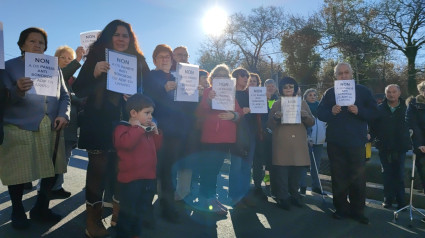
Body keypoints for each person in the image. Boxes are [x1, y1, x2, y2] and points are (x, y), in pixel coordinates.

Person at [72, 19, 150, 237]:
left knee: (121, 170)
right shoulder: (96, 58)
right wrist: (94, 73)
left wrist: (136, 100)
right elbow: (79, 89)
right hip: (99, 123)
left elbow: (147, 91)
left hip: (127, 123)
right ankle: (92, 220)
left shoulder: (138, 61)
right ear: (108, 37)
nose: (121, 38)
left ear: (130, 39)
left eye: (125, 35)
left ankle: (118, 216)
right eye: (116, 34)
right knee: (98, 170)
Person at [0, 27, 70, 230]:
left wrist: (63, 114)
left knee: (52, 170)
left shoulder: (53, 67)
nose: (37, 45)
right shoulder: (8, 67)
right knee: (18, 172)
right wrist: (16, 91)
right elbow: (3, 99)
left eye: (41, 42)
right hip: (19, 125)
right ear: (22, 45)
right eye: (32, 41)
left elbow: (65, 95)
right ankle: (17, 210)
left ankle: (41, 207)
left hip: (51, 126)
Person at [317, 62, 378, 224]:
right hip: (335, 141)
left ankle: (358, 211)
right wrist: (331, 111)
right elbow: (320, 113)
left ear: (352, 74)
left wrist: (360, 111)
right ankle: (341, 209)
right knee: (338, 177)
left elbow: (374, 113)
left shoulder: (363, 91)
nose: (343, 76)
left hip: (357, 142)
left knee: (358, 178)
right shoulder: (330, 93)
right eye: (340, 73)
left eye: (346, 73)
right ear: (335, 76)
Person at [144, 44, 194, 223]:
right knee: (154, 169)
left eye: (167, 56)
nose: (165, 59)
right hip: (158, 130)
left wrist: (197, 93)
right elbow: (147, 100)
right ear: (155, 59)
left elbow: (187, 104)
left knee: (169, 170)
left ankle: (167, 206)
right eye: (161, 56)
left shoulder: (178, 75)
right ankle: (145, 210)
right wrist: (163, 89)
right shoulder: (150, 76)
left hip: (177, 130)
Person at [196, 64, 243, 215]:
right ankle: (207, 199)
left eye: (224, 76)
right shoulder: (208, 91)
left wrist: (233, 116)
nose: (221, 79)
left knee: (215, 170)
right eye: (217, 76)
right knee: (208, 170)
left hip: (226, 138)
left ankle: (210, 198)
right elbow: (200, 112)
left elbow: (239, 112)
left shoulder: (231, 92)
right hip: (210, 137)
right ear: (212, 79)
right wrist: (208, 100)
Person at [113, 94, 162, 238]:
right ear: (133, 113)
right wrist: (139, 129)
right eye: (147, 113)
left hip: (148, 178)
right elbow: (125, 144)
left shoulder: (146, 130)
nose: (150, 117)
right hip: (130, 180)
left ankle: (135, 234)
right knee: (128, 212)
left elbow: (157, 148)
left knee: (141, 210)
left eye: (151, 113)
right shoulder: (123, 128)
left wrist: (156, 132)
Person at [267, 77, 314, 210]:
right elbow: (269, 124)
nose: (288, 89)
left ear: (295, 88)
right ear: (281, 89)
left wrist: (305, 115)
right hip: (282, 142)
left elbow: (312, 122)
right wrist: (276, 117)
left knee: (297, 171)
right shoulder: (276, 103)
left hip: (298, 143)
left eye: (291, 87)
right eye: (285, 87)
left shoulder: (303, 103)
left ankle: (295, 194)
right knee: (282, 172)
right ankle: (282, 197)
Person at [49, 45, 85, 198]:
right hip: (57, 124)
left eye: (69, 58)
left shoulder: (75, 80)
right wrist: (77, 60)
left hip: (72, 126)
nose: (66, 61)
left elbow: (82, 97)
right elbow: (63, 76)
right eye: (62, 57)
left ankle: (57, 186)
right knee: (53, 157)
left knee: (65, 157)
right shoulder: (52, 74)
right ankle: (46, 188)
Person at [370, 84, 409, 210]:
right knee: (387, 174)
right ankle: (388, 199)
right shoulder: (379, 109)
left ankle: (401, 201)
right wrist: (371, 137)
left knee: (399, 175)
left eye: (394, 92)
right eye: (389, 92)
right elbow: (373, 127)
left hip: (400, 147)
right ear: (385, 94)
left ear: (399, 93)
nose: (391, 94)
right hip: (384, 147)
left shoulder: (407, 108)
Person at [228, 67, 256, 208]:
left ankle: (244, 195)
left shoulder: (250, 94)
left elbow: (260, 111)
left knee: (246, 167)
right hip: (236, 134)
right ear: (235, 77)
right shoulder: (229, 94)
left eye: (247, 76)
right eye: (242, 75)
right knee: (236, 167)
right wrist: (241, 112)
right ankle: (234, 197)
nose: (246, 78)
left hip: (251, 134)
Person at [252, 78, 279, 199]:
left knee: (269, 164)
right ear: (264, 87)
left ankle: (268, 185)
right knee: (258, 162)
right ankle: (257, 185)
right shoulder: (258, 97)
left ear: (276, 88)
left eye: (272, 86)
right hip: (260, 134)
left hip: (273, 135)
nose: (270, 88)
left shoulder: (279, 100)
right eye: (268, 86)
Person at [299, 88, 326, 195]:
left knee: (316, 166)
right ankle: (302, 186)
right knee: (304, 165)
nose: (313, 97)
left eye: (314, 95)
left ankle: (316, 187)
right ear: (305, 97)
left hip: (319, 141)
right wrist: (307, 136)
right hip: (307, 141)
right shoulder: (303, 108)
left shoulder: (321, 109)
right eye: (310, 95)